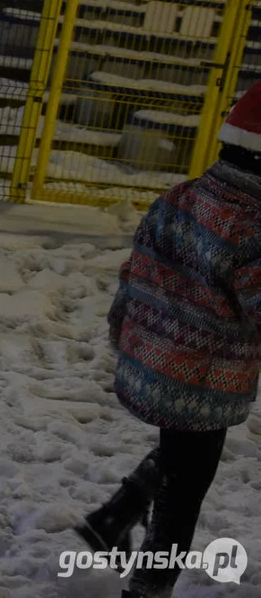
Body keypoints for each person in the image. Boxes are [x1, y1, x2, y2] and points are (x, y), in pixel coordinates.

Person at [74, 81, 261, 597]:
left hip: (153, 361)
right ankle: (148, 587)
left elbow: (134, 272)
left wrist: (124, 332)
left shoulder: (181, 196)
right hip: (204, 380)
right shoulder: (251, 226)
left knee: (184, 454)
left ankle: (120, 512)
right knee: (186, 488)